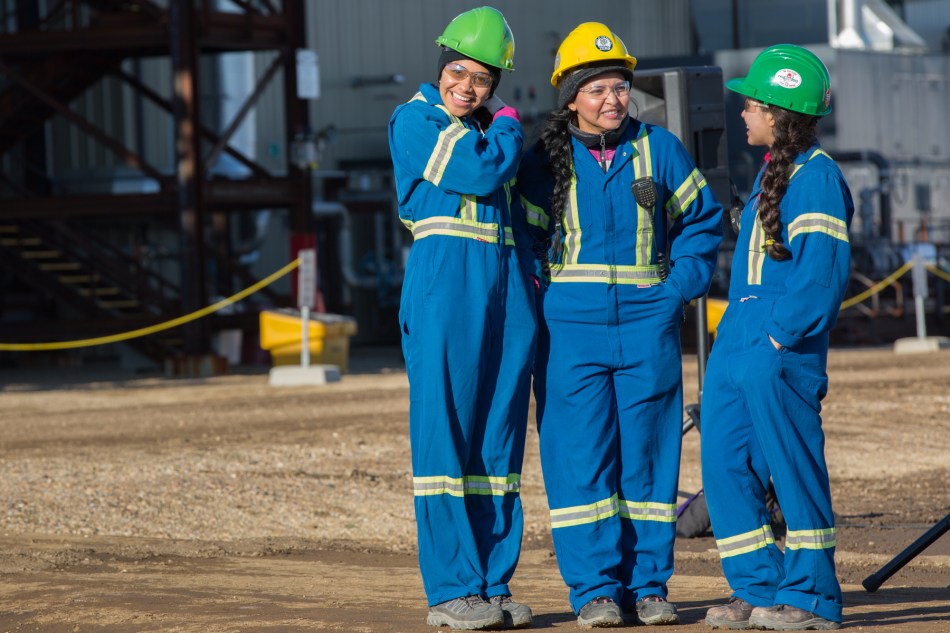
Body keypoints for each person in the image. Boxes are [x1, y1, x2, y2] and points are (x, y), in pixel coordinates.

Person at [518, 22, 723, 628]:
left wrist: (675, 293)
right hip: (568, 334)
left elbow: (702, 222)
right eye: (598, 89)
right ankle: (595, 593)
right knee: (579, 461)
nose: (613, 100)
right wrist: (545, 301)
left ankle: (650, 588)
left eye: (620, 88)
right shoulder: (541, 161)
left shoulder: (660, 149)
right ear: (572, 97)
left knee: (650, 458)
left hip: (647, 325)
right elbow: (525, 240)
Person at [387, 6, 538, 631]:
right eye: (457, 71)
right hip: (444, 284)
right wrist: (508, 127)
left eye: (481, 78)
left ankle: (489, 582)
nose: (466, 86)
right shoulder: (418, 119)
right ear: (440, 66)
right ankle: (451, 590)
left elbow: (526, 212)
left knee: (498, 441)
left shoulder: (484, 128)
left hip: (506, 285)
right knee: (445, 438)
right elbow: (479, 171)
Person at [700, 44, 853, 631]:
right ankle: (759, 587)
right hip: (738, 336)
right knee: (725, 464)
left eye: (752, 105)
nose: (742, 113)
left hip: (778, 344)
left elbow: (820, 277)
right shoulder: (773, 172)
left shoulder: (817, 179)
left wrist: (776, 345)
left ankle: (811, 598)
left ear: (779, 112)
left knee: (791, 468)